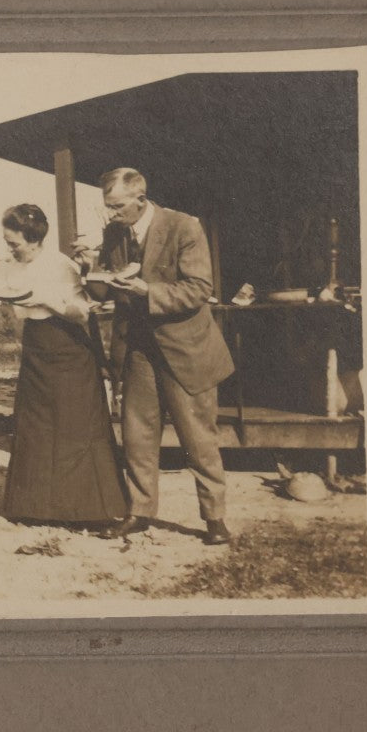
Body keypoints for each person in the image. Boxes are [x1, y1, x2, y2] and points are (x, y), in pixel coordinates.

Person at [85, 167, 235, 545]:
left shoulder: (184, 227)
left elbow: (199, 288)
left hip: (187, 349)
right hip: (140, 349)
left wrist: (146, 291)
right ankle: (139, 511)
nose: (112, 214)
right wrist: (91, 268)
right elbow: (105, 293)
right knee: (136, 437)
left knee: (199, 440)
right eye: (108, 207)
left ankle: (215, 520)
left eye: (117, 206)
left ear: (140, 198)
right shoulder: (114, 232)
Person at [0, 204, 129, 526]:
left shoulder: (59, 264)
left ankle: (90, 511)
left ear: (34, 238)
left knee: (74, 428)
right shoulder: (10, 265)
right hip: (36, 347)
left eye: (15, 243)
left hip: (68, 348)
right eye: (8, 243)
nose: (11, 248)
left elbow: (82, 313)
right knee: (37, 427)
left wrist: (44, 301)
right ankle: (35, 508)